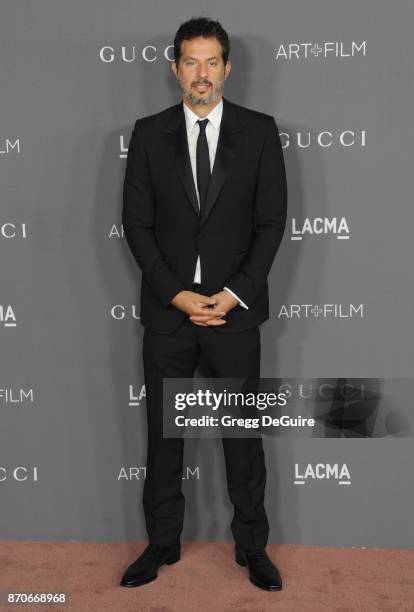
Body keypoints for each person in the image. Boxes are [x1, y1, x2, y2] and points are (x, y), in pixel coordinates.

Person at [120, 16, 288, 591]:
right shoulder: (147, 134)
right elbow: (136, 226)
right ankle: (161, 546)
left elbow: (271, 224)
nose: (201, 74)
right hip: (170, 315)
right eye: (190, 62)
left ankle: (253, 549)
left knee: (243, 439)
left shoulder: (260, 132)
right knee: (164, 441)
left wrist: (232, 294)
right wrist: (177, 294)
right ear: (174, 68)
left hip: (234, 315)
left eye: (211, 61)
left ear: (227, 67)